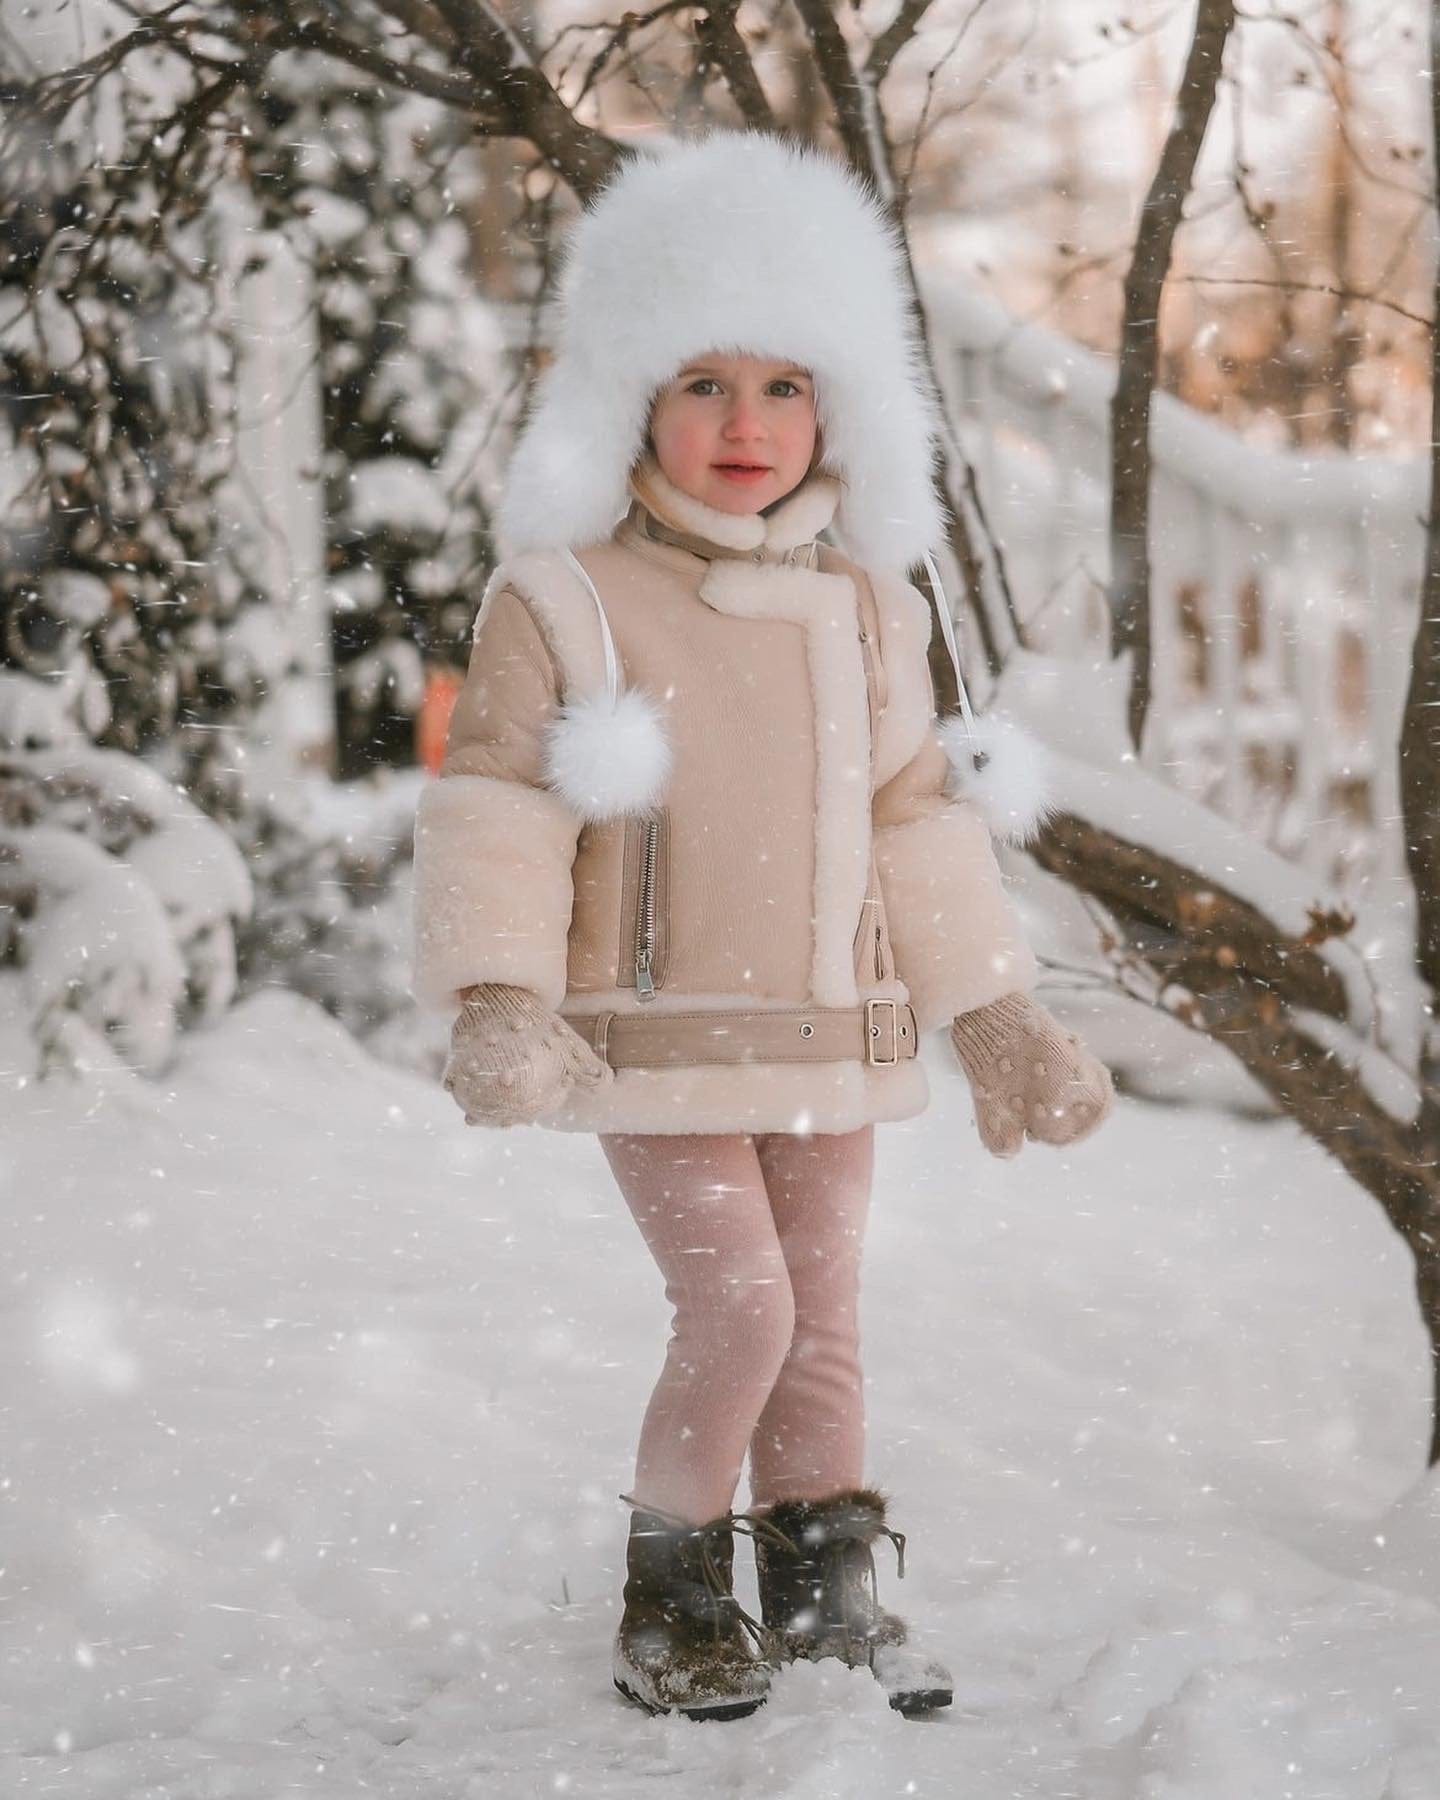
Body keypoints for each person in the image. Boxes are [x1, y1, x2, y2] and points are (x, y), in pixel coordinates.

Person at [411, 129, 1115, 1724]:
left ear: (840, 408)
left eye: (785, 385)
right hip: (647, 1032)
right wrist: (503, 992)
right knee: (740, 1306)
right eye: (704, 382)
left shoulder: (877, 606)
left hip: (831, 1029)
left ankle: (821, 1589)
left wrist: (994, 1013)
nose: (747, 425)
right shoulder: (567, 597)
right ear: (635, 401)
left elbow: (917, 816)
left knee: (825, 1321)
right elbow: (504, 801)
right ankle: (672, 1593)